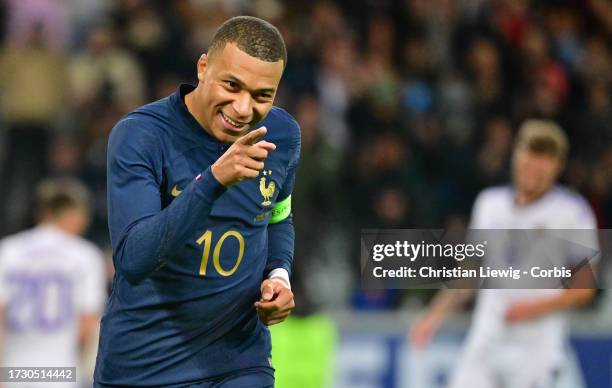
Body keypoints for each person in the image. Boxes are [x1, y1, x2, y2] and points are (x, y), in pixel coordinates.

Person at [94, 16, 300, 387]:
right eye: (232, 85)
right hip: (144, 364)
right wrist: (215, 180)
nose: (242, 108)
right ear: (203, 67)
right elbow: (134, 259)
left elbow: (278, 217)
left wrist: (278, 275)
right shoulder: (141, 135)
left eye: (261, 95)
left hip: (239, 359)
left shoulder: (281, 135)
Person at [411, 120, 598, 388]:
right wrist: (433, 317)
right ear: (516, 154)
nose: (534, 165)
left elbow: (584, 288)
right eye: (530, 154)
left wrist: (531, 309)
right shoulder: (489, 203)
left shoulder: (571, 212)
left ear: (557, 166)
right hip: (487, 340)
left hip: (536, 350)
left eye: (544, 159)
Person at [0, 178, 106, 388]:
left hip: (14, 371)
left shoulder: (8, 250)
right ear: (76, 214)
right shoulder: (84, 256)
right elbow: (87, 323)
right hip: (61, 370)